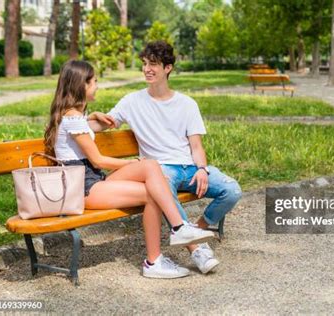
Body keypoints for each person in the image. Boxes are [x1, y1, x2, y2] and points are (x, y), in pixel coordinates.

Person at [44, 60, 215, 279]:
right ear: (82, 85)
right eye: (94, 81)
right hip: (83, 190)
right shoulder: (73, 118)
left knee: (151, 165)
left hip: (92, 181)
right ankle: (158, 256)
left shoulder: (72, 116)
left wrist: (92, 116)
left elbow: (78, 138)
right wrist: (130, 163)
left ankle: (178, 230)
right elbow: (97, 160)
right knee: (152, 191)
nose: (97, 86)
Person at [89, 41, 242, 274]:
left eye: (153, 64)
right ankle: (196, 248)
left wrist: (202, 169)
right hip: (159, 170)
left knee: (232, 191)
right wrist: (84, 118)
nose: (147, 69)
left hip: (190, 168)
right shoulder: (132, 101)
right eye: (144, 64)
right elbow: (101, 125)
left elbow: (197, 147)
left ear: (168, 68)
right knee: (161, 186)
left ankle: (194, 230)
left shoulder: (187, 104)